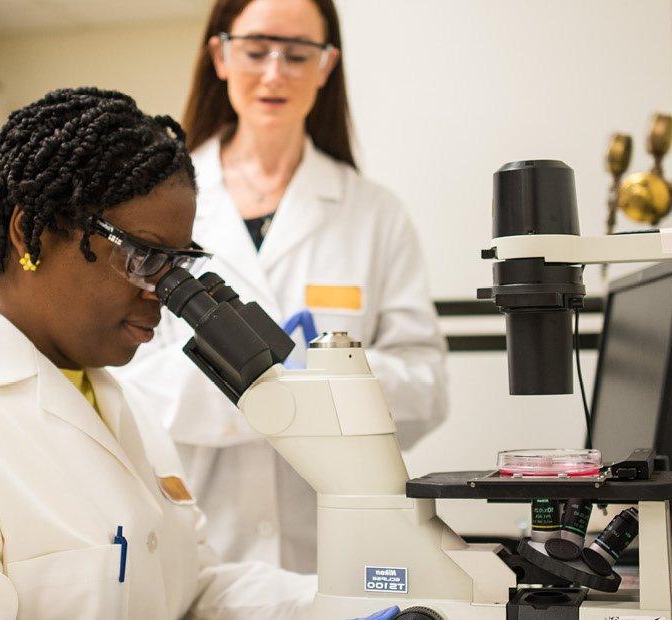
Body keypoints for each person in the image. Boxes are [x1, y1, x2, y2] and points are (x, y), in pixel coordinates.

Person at [0, 88, 313, 618]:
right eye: (142, 257)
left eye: (175, 265)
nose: (161, 291)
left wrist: (337, 603)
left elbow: (189, 592)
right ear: (30, 232)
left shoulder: (109, 395)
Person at [115, 0, 448, 573]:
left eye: (297, 55)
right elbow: (124, 377)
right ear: (220, 54)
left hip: (339, 546)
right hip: (197, 538)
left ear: (326, 66)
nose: (274, 73)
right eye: (255, 50)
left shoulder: (373, 213)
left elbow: (425, 386)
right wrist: (260, 387)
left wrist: (325, 379)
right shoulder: (152, 202)